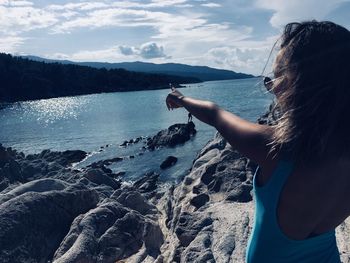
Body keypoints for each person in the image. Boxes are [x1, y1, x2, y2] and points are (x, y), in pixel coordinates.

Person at [165, 20, 350, 263]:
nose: (271, 88)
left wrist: (182, 98)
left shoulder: (277, 149)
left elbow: (215, 114)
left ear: (299, 83)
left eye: (276, 77)